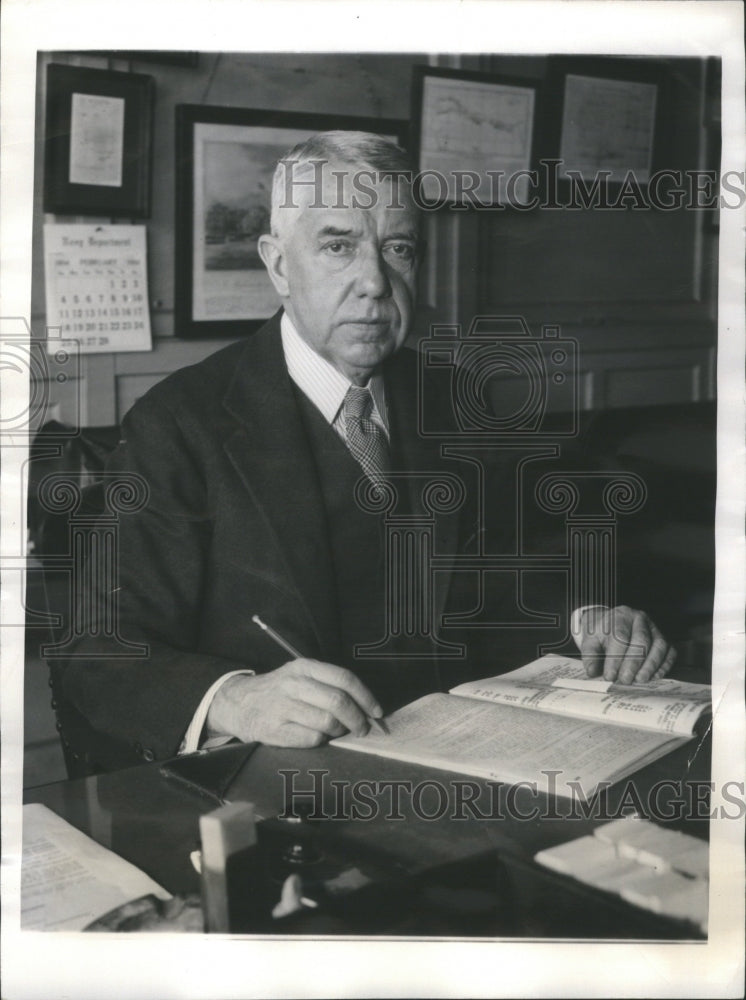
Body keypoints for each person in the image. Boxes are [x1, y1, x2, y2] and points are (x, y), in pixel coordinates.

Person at [61, 131, 676, 767]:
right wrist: (235, 699)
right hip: (279, 787)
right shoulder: (177, 425)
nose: (375, 283)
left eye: (398, 249)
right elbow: (97, 651)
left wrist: (589, 619)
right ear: (277, 264)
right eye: (337, 246)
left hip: (468, 760)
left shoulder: (458, 400)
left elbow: (509, 581)